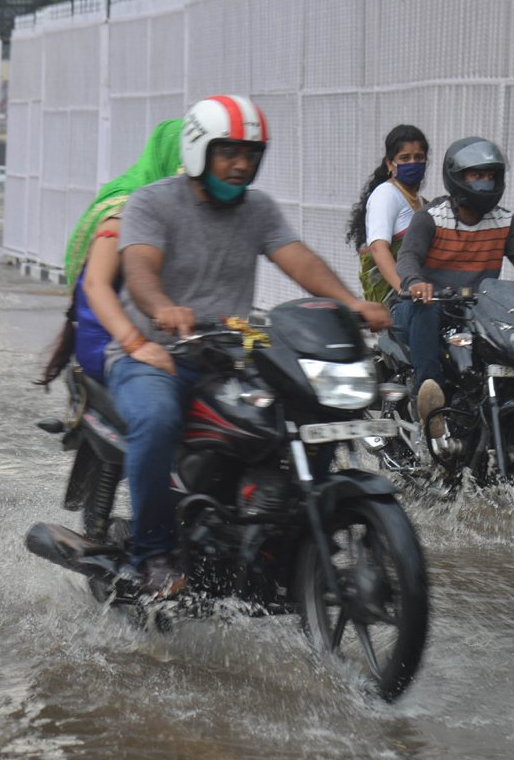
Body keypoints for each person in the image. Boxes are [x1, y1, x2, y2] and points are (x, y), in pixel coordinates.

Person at [107, 95, 391, 597]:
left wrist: (351, 302)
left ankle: (285, 544)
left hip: (227, 353)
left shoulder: (257, 209)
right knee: (155, 421)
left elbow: (296, 258)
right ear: (199, 150)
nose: (241, 164)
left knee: (308, 413)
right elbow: (140, 270)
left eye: (251, 154)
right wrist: (162, 309)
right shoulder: (151, 202)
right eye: (228, 152)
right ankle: (150, 555)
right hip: (155, 353)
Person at [395, 137, 514, 436]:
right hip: (426, 307)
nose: (485, 182)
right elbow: (408, 258)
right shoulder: (430, 218)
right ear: (456, 177)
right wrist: (416, 283)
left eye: (491, 176)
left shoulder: (504, 222)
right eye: (476, 175)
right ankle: (431, 400)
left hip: (474, 312)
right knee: (426, 311)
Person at [37, 119, 185, 386]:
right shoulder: (126, 210)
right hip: (112, 339)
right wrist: (136, 344)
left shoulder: (198, 210)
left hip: (167, 335)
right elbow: (95, 285)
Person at [346, 124, 430, 308]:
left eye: (419, 157)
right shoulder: (386, 194)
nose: (412, 163)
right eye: (404, 158)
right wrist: (406, 290)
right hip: (401, 302)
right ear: (390, 164)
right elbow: (378, 249)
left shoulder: (423, 203)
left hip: (425, 297)